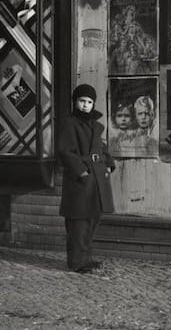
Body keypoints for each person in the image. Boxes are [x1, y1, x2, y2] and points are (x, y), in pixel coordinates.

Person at [58, 84, 115, 274]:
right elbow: (66, 151)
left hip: (97, 178)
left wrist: (108, 164)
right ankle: (76, 261)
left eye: (89, 102)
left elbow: (102, 148)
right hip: (81, 180)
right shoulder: (70, 123)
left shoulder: (96, 125)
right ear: (75, 102)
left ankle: (86, 258)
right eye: (82, 101)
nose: (85, 105)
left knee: (92, 220)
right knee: (78, 222)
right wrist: (82, 172)